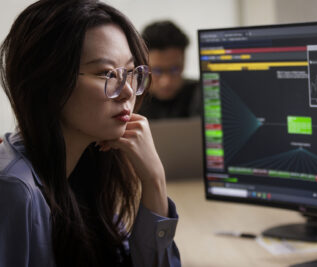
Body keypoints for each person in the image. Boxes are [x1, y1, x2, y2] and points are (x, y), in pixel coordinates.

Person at [0, 1, 180, 267]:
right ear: (49, 83)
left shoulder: (88, 164)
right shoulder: (14, 190)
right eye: (107, 73)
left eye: (130, 72)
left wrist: (154, 179)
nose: (128, 91)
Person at [138, 20, 201, 120]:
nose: (166, 82)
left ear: (184, 61)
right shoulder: (130, 100)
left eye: (175, 69)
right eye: (157, 71)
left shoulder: (201, 94)